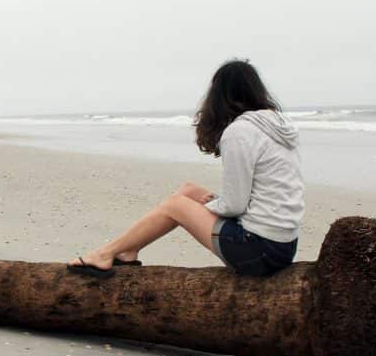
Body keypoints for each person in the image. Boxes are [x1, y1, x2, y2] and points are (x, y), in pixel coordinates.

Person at [67, 59, 304, 278]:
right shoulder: (277, 124)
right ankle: (129, 251)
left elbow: (235, 205)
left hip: (257, 251)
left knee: (175, 205)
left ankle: (105, 253)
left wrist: (211, 206)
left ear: (219, 95)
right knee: (189, 190)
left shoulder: (239, 132)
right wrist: (212, 204)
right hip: (284, 246)